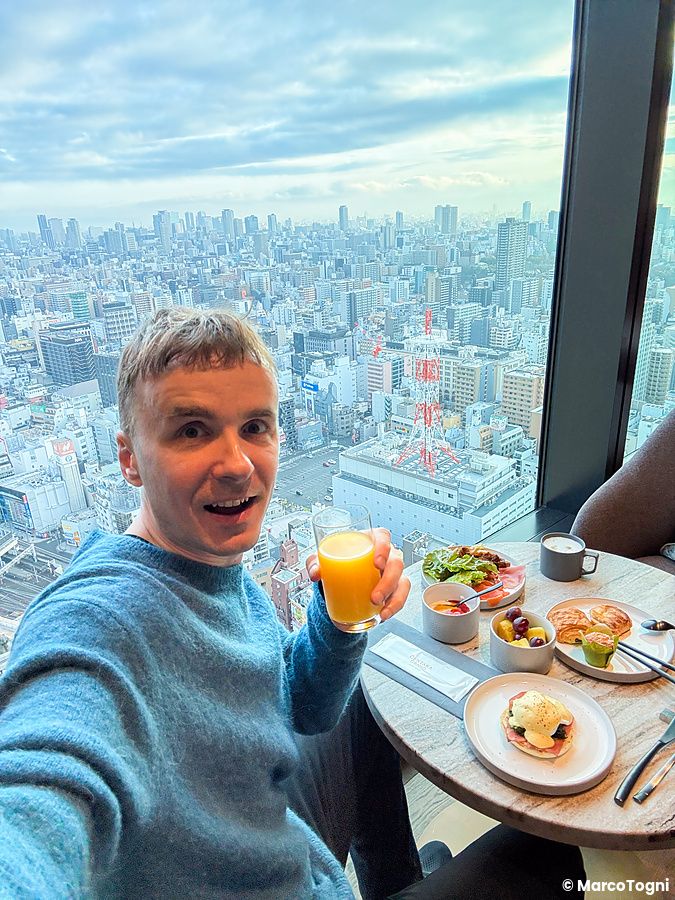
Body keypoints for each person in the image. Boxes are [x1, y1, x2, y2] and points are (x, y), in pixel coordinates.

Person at [0, 308, 585, 899]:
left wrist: (337, 619)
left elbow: (301, 706)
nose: (237, 464)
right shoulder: (97, 623)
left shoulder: (212, 568)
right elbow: (37, 796)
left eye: (255, 426)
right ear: (129, 459)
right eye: (192, 431)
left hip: (287, 851)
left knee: (363, 699)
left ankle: (396, 880)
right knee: (551, 854)